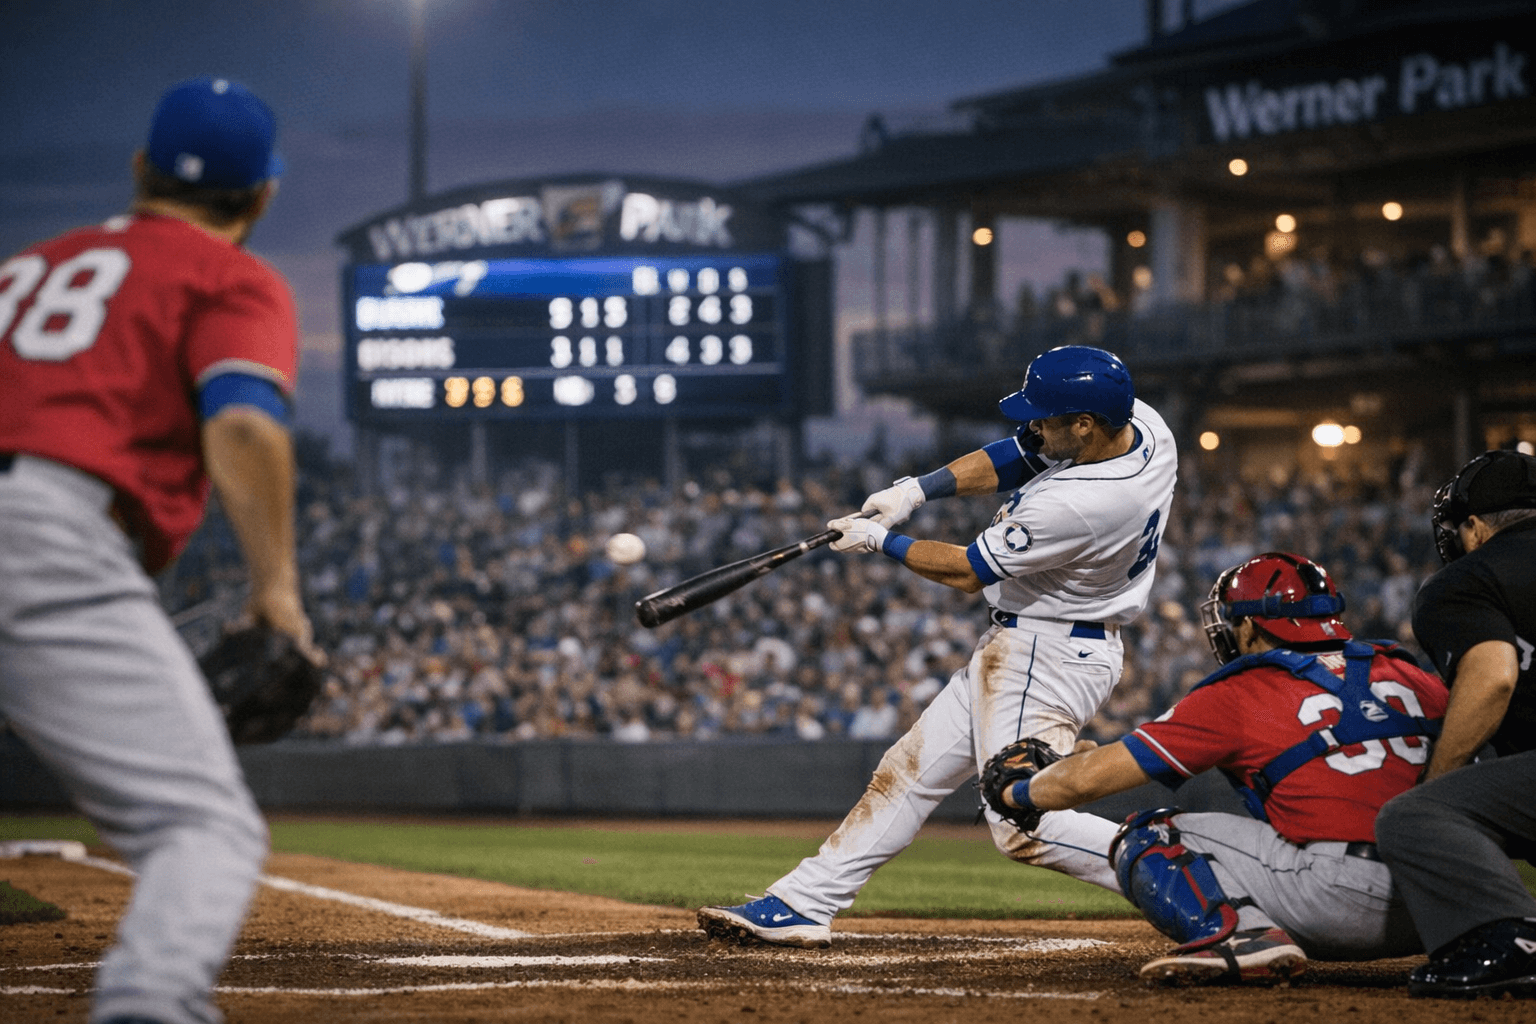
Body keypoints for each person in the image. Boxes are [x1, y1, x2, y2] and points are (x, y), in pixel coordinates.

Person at [0, 77, 316, 1024]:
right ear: (263, 194)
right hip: (46, 529)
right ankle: (149, 1006)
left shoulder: (26, 269)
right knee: (202, 827)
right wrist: (277, 592)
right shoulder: (227, 276)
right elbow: (246, 425)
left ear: (140, 168)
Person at [698, 345, 1178, 946]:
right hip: (1032, 641)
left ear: (1084, 423)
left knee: (1022, 821)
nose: (1033, 426)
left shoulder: (1085, 503)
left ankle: (1187, 875)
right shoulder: (1142, 425)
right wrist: (915, 492)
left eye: (1046, 417)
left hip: (1048, 654)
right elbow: (1021, 455)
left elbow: (968, 570)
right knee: (907, 772)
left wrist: (881, 541)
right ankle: (805, 901)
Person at [989, 552, 1447, 983]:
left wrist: (1016, 792)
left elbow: (1088, 781)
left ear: (1250, 625)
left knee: (1152, 835)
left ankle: (1244, 938)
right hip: (1445, 898)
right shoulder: (1411, 674)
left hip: (1337, 904)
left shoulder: (1243, 690)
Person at [1374, 449, 1536, 998]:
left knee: (1416, 815)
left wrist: (1437, 781)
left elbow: (1492, 679)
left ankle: (1513, 940)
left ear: (1474, 526)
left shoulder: (1467, 578)